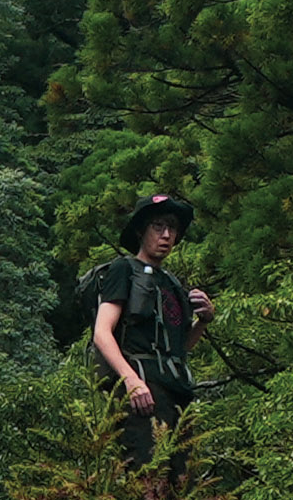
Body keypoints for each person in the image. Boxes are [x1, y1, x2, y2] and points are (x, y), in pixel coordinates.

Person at [86, 193, 210, 472]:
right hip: (142, 394)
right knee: (146, 480)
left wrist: (203, 321)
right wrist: (131, 381)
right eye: (158, 226)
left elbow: (180, 348)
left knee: (179, 485)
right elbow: (102, 332)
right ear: (141, 230)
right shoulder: (123, 270)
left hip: (176, 395)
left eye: (172, 227)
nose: (166, 235)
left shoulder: (172, 284)